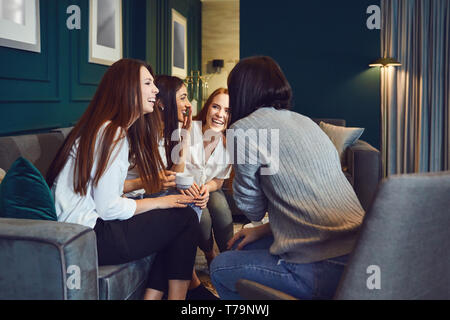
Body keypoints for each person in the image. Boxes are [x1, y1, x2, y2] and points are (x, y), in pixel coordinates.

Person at [210, 56, 365, 300]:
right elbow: (306, 202)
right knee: (246, 245)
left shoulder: (242, 130)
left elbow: (252, 211)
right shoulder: (306, 122)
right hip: (361, 253)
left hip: (319, 265)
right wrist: (263, 231)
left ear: (240, 91)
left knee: (220, 267)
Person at [46, 58, 199, 300]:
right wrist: (160, 202)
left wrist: (148, 189)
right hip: (88, 236)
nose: (156, 90)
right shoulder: (113, 132)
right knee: (185, 217)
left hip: (83, 231)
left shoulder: (105, 128)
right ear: (127, 89)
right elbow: (108, 208)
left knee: (174, 219)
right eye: (148, 83)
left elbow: (101, 192)